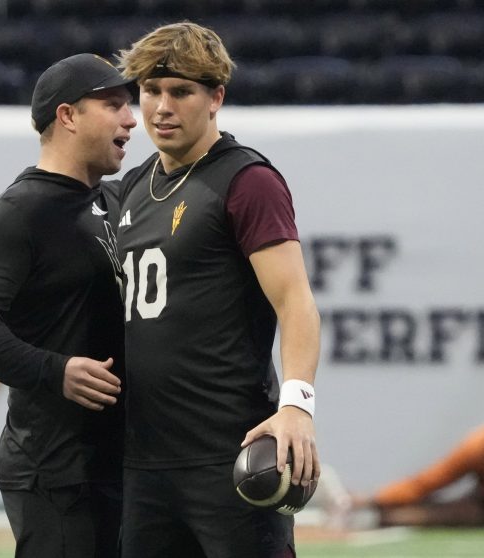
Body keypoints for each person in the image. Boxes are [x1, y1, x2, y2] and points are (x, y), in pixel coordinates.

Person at [113, 22, 321, 558]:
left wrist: (298, 406)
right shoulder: (135, 186)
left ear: (215, 98)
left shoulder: (246, 180)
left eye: (180, 92)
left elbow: (295, 300)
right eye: (151, 91)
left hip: (229, 453)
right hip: (144, 459)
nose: (162, 106)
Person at [0, 53, 137, 558]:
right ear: (68, 115)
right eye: (114, 104)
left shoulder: (116, 202)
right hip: (55, 470)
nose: (131, 118)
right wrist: (58, 371)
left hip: (118, 462)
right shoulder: (17, 215)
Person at [351, 425, 484, 527]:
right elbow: (425, 483)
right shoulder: (477, 445)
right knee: (417, 510)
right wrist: (373, 499)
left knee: (459, 514)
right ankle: (375, 516)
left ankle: (388, 518)